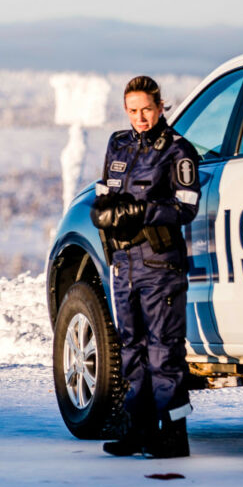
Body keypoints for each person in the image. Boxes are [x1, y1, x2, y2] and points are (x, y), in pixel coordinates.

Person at [91, 76, 201, 459]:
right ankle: (137, 429)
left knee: (164, 352)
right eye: (133, 110)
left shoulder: (178, 151)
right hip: (124, 263)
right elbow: (105, 191)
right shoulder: (118, 145)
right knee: (131, 349)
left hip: (160, 264)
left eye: (147, 109)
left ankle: (173, 435)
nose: (140, 117)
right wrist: (101, 211)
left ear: (160, 107)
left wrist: (143, 210)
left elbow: (187, 207)